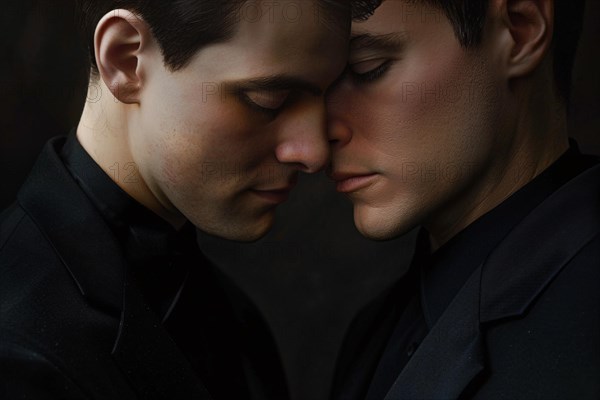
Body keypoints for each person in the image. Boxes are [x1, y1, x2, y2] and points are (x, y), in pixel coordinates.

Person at [0, 1, 381, 399]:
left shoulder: (225, 309)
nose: (315, 151)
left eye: (327, 95)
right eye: (270, 98)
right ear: (125, 59)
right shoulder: (16, 348)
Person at [327, 0, 599, 398]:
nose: (323, 131)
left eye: (368, 67)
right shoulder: (370, 331)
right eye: (319, 86)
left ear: (520, 30)